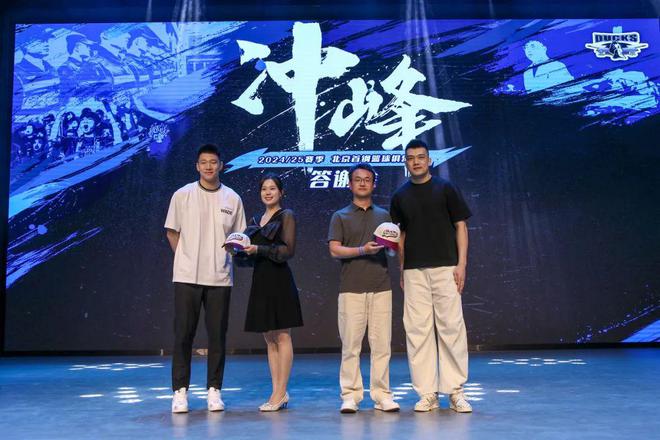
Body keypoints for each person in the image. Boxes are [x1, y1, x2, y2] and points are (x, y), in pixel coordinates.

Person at [390, 139, 473, 413]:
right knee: (417, 331)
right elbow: (401, 236)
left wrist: (461, 264)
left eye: (420, 157)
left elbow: (460, 226)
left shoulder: (445, 188)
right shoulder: (400, 196)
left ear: (429, 160)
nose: (416, 162)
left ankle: (455, 391)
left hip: (446, 267)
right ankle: (427, 393)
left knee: (451, 327)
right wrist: (402, 269)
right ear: (406, 162)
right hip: (414, 270)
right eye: (410, 158)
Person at [164, 143, 246, 413]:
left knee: (217, 337)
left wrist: (222, 258)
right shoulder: (182, 195)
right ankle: (180, 392)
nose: (209, 166)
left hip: (219, 278)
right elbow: (172, 232)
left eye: (213, 162)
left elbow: (239, 238)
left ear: (220, 165)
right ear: (197, 166)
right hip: (186, 277)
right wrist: (185, 258)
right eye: (204, 162)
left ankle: (214, 390)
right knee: (183, 335)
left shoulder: (232, 198)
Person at [328, 163, 400, 414]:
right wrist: (362, 250)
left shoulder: (384, 215)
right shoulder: (340, 216)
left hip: (381, 286)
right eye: (357, 179)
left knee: (382, 346)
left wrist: (392, 248)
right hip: (351, 288)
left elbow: (393, 248)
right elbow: (334, 249)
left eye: (367, 179)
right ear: (350, 184)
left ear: (373, 184)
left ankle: (382, 395)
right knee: (351, 346)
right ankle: (350, 396)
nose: (362, 183)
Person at [241, 174, 303, 412]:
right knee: (269, 337)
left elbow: (288, 250)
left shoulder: (286, 215)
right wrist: (238, 250)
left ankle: (280, 392)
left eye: (273, 188)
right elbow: (249, 255)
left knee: (282, 335)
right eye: (264, 189)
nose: (268, 192)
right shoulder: (255, 220)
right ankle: (277, 391)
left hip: (279, 279)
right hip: (261, 280)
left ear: (281, 192)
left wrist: (258, 249)